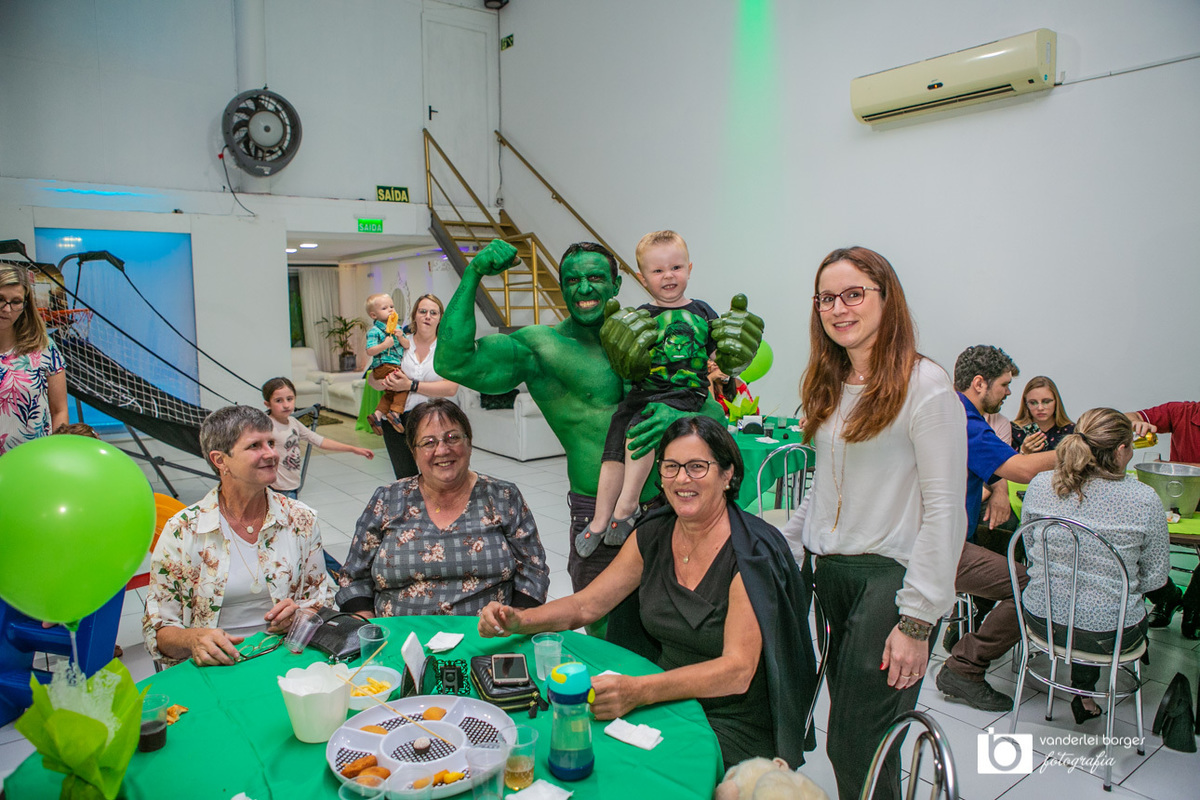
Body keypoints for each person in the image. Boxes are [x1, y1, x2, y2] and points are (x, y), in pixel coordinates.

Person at [479, 415, 815, 771]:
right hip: (665, 699)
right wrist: (520, 620)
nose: (682, 479)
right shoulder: (655, 533)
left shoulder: (750, 554)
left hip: (731, 717)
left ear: (727, 474)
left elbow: (737, 671)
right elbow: (587, 604)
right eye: (671, 467)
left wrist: (640, 690)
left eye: (697, 467)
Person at [437, 239, 753, 592]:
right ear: (562, 288)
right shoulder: (541, 348)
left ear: (616, 285)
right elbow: (453, 363)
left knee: (673, 619)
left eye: (596, 278)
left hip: (669, 506)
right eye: (573, 280)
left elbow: (714, 414)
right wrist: (474, 273)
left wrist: (680, 417)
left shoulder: (653, 334)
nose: (584, 289)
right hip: (597, 516)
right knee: (601, 620)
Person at [779, 247, 967, 800]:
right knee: (851, 740)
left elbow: (945, 509)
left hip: (889, 582)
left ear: (887, 298)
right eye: (826, 299)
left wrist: (917, 621)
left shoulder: (925, 385)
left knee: (859, 745)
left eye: (854, 294)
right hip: (832, 577)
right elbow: (824, 487)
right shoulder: (832, 380)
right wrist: (784, 547)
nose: (839, 308)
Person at [577, 230, 753, 557]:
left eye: (675, 267)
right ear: (643, 278)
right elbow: (630, 360)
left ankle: (626, 506)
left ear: (689, 268)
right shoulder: (641, 316)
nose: (668, 276)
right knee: (615, 441)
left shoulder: (703, 311)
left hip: (684, 393)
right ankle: (600, 517)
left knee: (642, 430)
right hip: (643, 391)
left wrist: (733, 361)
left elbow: (720, 355)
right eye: (658, 271)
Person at [143, 406, 335, 666]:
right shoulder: (184, 530)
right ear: (220, 460)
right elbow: (158, 630)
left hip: (287, 659)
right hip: (213, 667)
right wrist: (192, 639)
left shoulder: (300, 519)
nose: (271, 454)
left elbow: (322, 601)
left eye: (271, 443)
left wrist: (301, 615)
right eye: (255, 445)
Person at [1019, 408, 1170, 722]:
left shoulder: (1041, 484)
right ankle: (1085, 692)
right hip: (1108, 636)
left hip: (1041, 620)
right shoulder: (1145, 499)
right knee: (1104, 611)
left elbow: (1030, 548)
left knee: (1083, 605)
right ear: (1121, 450)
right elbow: (1156, 578)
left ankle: (1083, 693)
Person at [336, 399, 549, 617]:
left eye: (452, 438)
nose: (442, 450)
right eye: (428, 442)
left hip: (485, 633)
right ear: (414, 451)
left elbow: (534, 572)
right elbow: (353, 578)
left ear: (469, 444)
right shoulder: (388, 499)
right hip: (399, 634)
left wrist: (512, 622)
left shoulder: (503, 496)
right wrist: (369, 629)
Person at [935, 346, 1055, 712]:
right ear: (979, 383)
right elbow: (1021, 469)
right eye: (1004, 384)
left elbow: (996, 469)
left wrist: (999, 488)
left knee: (1012, 551)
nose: (1008, 392)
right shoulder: (964, 421)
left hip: (950, 533)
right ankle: (965, 667)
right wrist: (1082, 448)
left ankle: (966, 635)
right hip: (939, 544)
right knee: (1031, 585)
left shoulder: (951, 410)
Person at [1126, 400, 1200, 638]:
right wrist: (1135, 423)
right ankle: (1167, 596)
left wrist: (1173, 466)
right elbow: (1126, 417)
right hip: (1175, 504)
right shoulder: (1183, 412)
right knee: (1129, 542)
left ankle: (1194, 607)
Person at [371, 294, 459, 480]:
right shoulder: (397, 341)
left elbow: (451, 388)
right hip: (396, 421)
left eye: (433, 313)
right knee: (405, 479)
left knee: (437, 476)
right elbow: (372, 378)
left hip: (435, 420)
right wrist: (385, 383)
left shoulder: (447, 348)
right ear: (414, 315)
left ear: (440, 318)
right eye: (423, 311)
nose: (427, 316)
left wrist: (410, 385)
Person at [0, 264, 67, 454]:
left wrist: (57, 454)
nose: (7, 309)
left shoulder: (43, 347)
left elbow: (59, 411)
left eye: (16, 302)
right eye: (0, 299)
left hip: (34, 460)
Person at [363, 292, 411, 433]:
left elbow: (407, 345)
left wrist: (401, 337)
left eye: (392, 306)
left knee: (390, 394)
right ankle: (395, 413)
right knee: (403, 386)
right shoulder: (375, 331)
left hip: (395, 365)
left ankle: (377, 415)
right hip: (384, 365)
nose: (390, 310)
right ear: (373, 315)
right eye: (384, 308)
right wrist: (384, 345)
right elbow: (370, 350)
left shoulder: (398, 328)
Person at [1011, 375, 1075, 454]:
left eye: (1046, 402)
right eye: (1033, 403)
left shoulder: (1071, 431)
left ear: (1056, 402)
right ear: (1026, 404)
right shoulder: (1014, 430)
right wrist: (1023, 452)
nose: (1040, 408)